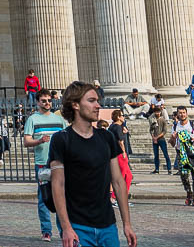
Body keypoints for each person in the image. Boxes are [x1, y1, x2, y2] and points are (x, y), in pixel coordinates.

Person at [48, 81, 135, 247]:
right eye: (92, 101)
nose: (98, 105)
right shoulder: (62, 139)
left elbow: (117, 182)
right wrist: (66, 227)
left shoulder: (107, 137)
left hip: (107, 224)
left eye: (98, 101)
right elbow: (58, 185)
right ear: (75, 105)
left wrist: (127, 224)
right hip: (77, 225)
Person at [25, 89, 68, 243]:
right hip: (42, 164)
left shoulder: (60, 120)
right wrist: (39, 141)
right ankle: (46, 231)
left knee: (62, 198)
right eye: (44, 101)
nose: (47, 103)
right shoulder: (32, 119)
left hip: (60, 163)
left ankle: (64, 230)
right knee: (44, 198)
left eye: (49, 100)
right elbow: (26, 141)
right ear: (37, 102)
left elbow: (67, 137)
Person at [173, 106, 194, 206]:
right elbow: (172, 143)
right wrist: (173, 137)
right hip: (181, 154)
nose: (182, 114)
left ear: (186, 114)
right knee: (184, 177)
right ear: (177, 114)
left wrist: (192, 139)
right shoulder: (175, 126)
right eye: (180, 113)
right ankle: (189, 193)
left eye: (183, 112)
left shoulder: (193, 125)